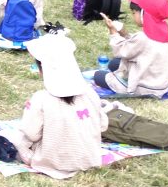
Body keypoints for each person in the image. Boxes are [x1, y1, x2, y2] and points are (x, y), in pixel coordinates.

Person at [8, 34, 106, 179]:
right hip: (90, 159)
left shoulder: (41, 98)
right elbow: (103, 125)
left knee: (17, 139)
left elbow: (31, 133)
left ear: (42, 69)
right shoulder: (90, 94)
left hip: (52, 162)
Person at [95, 0, 168, 97]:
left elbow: (120, 51)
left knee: (98, 76)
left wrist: (113, 32)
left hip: (144, 88)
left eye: (134, 13)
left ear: (144, 14)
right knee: (114, 64)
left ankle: (125, 85)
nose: (133, 16)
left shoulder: (142, 37)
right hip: (160, 83)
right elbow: (138, 47)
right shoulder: (165, 32)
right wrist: (124, 33)